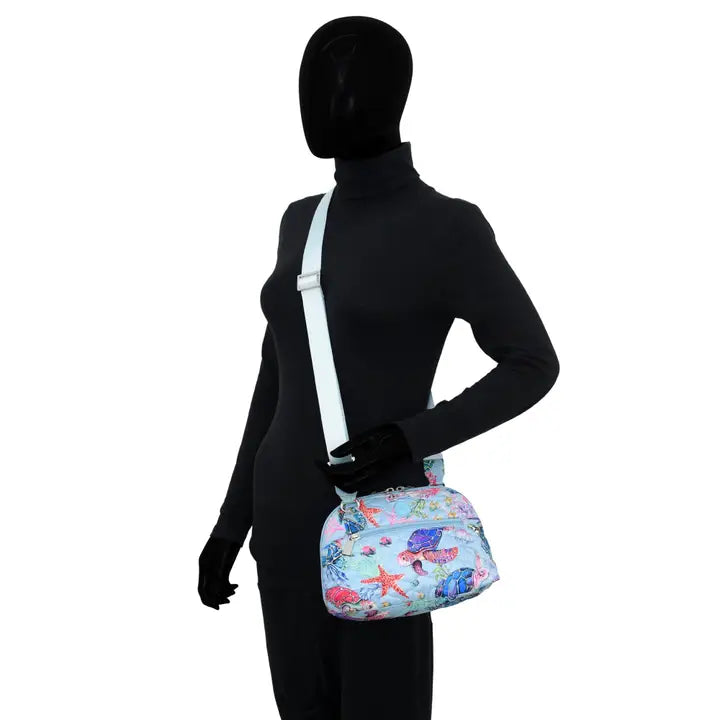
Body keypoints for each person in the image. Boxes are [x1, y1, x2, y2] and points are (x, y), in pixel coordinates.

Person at [199, 16, 559, 720]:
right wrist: (229, 524)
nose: (325, 99)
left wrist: (410, 437)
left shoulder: (448, 226)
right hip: (283, 521)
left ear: (396, 95)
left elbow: (532, 363)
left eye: (346, 81)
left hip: (385, 525)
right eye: (314, 81)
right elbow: (275, 384)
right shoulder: (300, 221)